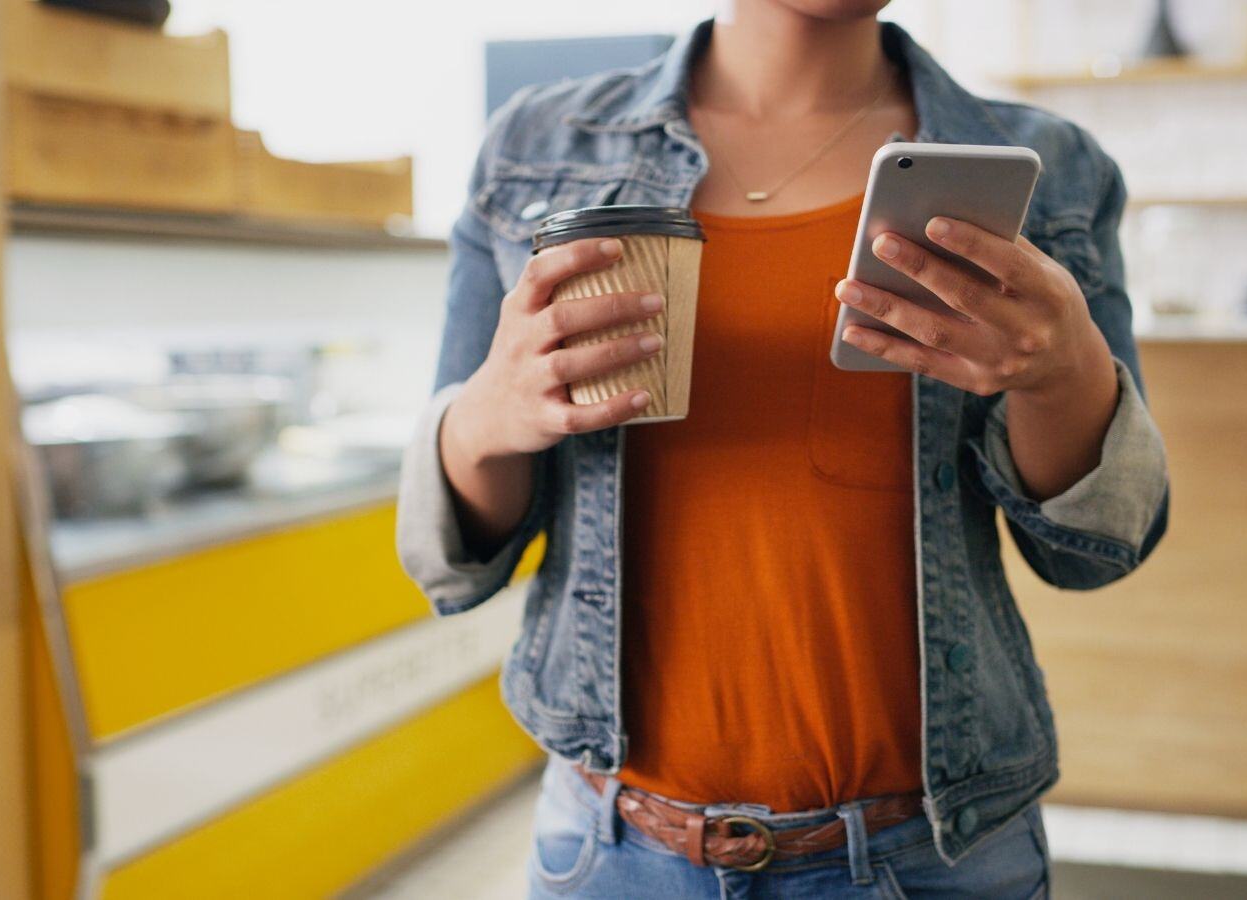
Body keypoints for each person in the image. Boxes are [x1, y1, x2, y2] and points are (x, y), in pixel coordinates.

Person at [396, 2, 1170, 896]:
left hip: (937, 861)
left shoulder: (1055, 171)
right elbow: (458, 559)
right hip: (614, 855)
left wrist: (1063, 373)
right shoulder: (535, 147)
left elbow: (1094, 550)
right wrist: (490, 417)